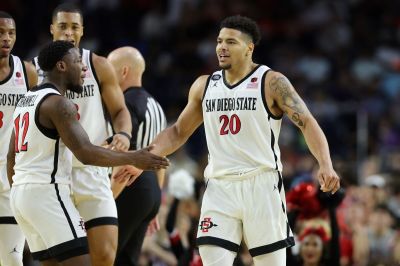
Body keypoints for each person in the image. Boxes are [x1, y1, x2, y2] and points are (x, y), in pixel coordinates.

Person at [150, 15, 340, 266]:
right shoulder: (204, 85)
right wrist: (140, 157)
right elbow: (177, 133)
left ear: (249, 48)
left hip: (261, 185)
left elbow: (306, 121)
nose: (222, 47)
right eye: (219, 41)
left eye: (231, 42)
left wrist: (325, 164)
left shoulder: (271, 81)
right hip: (219, 186)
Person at [7, 40, 169, 266]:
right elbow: (85, 152)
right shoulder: (59, 104)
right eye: (77, 62)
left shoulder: (26, 99)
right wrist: (135, 157)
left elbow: (10, 156)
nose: (84, 68)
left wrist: (20, 191)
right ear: (62, 66)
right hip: (46, 193)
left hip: (20, 196)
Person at [32, 3, 132, 265]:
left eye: (74, 26)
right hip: (52, 175)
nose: (68, 32)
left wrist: (123, 134)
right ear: (52, 29)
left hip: (92, 171)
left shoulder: (98, 65)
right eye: (62, 26)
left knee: (104, 256)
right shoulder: (33, 69)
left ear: (83, 31)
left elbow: (120, 109)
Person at [107, 46, 167, 266]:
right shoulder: (156, 105)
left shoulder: (125, 104)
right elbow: (160, 159)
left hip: (128, 186)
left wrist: (107, 198)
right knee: (128, 261)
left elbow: (126, 157)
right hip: (150, 189)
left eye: (109, 69)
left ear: (123, 72)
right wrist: (156, 204)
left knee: (104, 256)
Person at [0, 10, 37, 266]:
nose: (6, 38)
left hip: (11, 173)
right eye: (1, 33)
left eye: (11, 33)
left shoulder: (27, 73)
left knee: (12, 261)